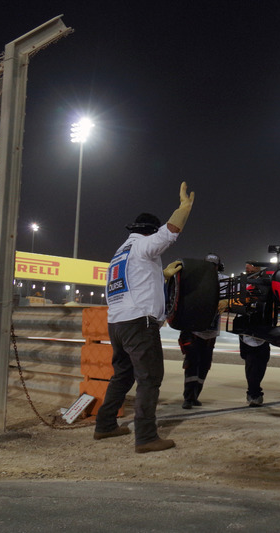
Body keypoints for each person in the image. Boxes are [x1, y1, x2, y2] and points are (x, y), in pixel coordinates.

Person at [94, 182, 194, 453]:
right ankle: (147, 437)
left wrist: (162, 276)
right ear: (148, 232)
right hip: (140, 323)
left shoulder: (120, 254)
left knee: (122, 377)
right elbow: (168, 234)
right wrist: (183, 209)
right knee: (150, 378)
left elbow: (135, 281)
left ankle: (104, 425)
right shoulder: (143, 246)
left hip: (117, 323)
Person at [179, 253, 228, 409]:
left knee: (205, 365)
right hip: (194, 330)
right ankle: (188, 397)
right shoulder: (194, 278)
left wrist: (229, 300)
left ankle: (194, 396)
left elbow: (235, 294)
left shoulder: (224, 280)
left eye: (213, 265)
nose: (211, 268)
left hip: (210, 333)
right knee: (191, 363)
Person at [239, 261, 271, 407]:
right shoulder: (243, 284)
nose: (247, 267)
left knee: (261, 363)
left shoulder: (265, 283)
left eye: (251, 265)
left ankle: (254, 391)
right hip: (248, 331)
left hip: (262, 330)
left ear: (258, 268)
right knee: (252, 364)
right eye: (246, 265)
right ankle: (254, 393)